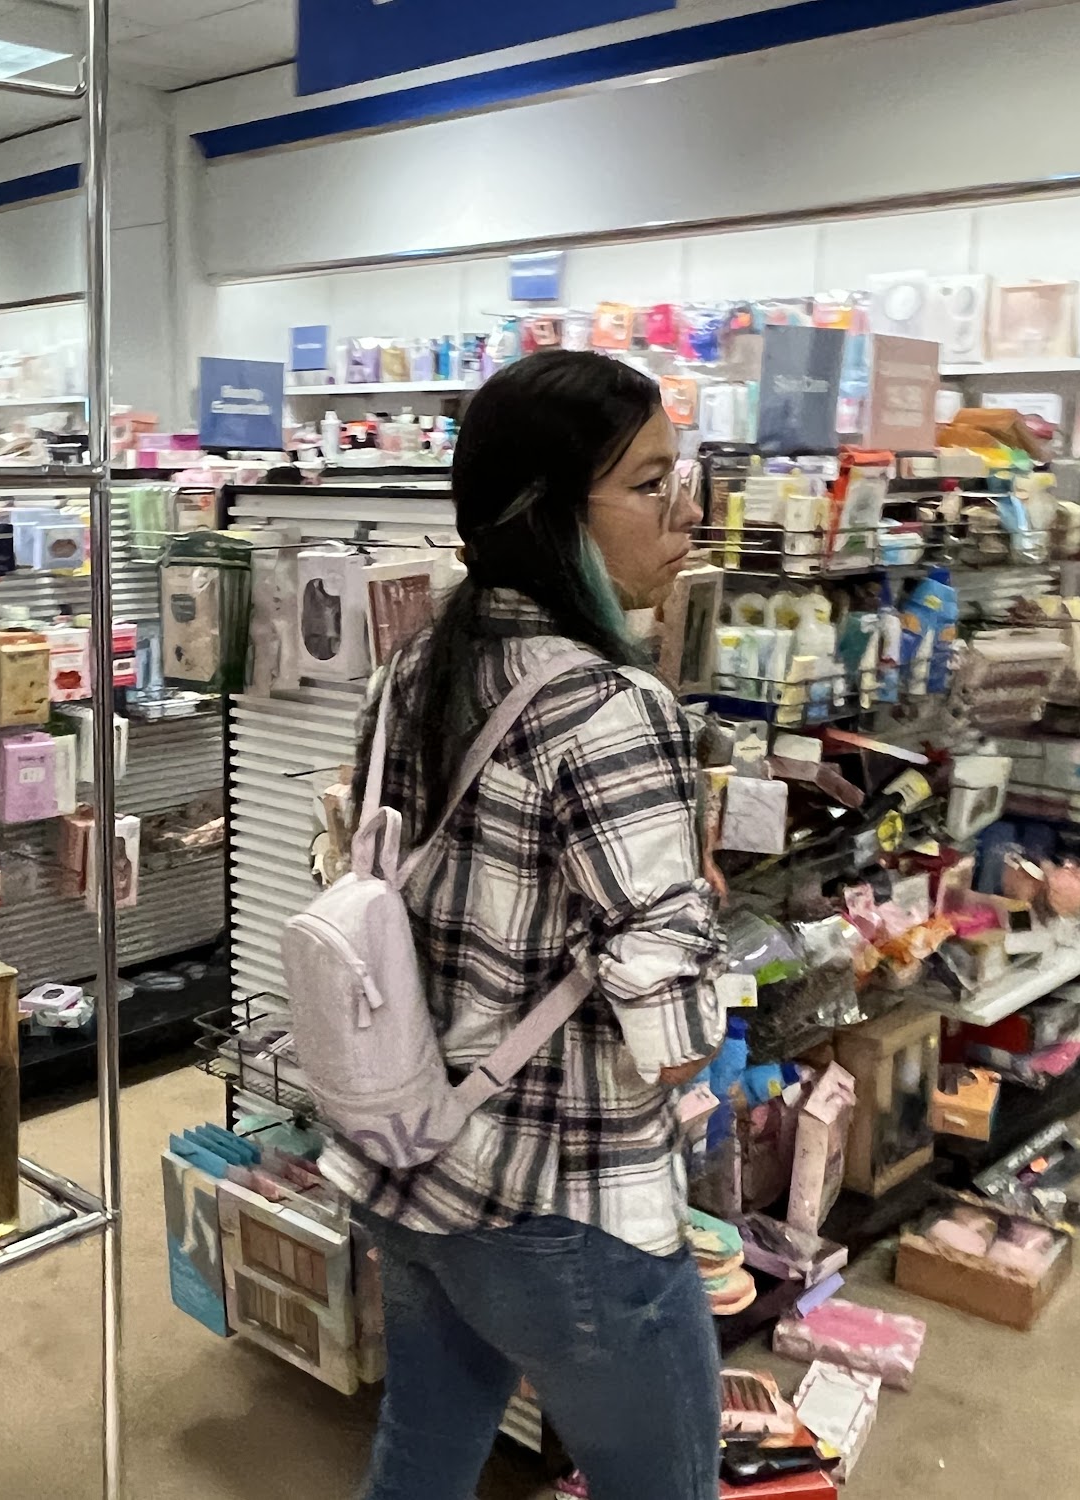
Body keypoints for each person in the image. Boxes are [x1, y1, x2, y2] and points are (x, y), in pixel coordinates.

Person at [325, 349, 727, 1500]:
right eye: (649, 484)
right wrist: (696, 902)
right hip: (566, 1209)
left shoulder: (410, 669)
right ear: (550, 514)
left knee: (420, 1456)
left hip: (415, 1164)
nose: (687, 513)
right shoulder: (612, 708)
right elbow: (673, 1041)